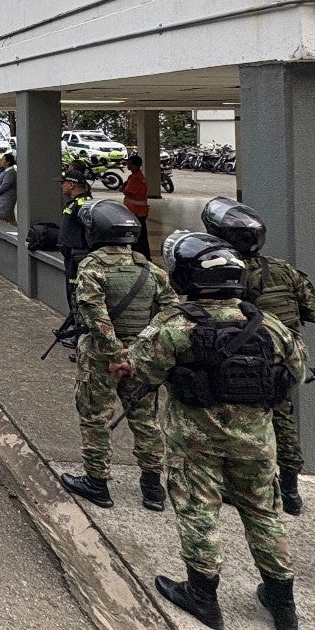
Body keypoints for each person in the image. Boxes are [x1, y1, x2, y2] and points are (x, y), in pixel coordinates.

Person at [129, 232, 307, 630]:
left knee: (198, 513)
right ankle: (283, 603)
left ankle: (203, 595)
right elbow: (294, 371)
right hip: (257, 441)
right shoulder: (270, 326)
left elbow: (143, 368)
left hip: (196, 440)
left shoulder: (176, 325)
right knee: (264, 513)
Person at [202, 197, 315, 515]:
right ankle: (291, 491)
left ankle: (239, 484)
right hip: (284, 360)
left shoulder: (222, 272)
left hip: (240, 361)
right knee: (284, 419)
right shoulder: (284, 270)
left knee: (235, 421)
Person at [58, 200, 179, 511]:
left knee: (96, 418)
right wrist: (142, 351)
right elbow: (169, 316)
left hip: (101, 357)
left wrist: (115, 352)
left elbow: (94, 312)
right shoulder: (152, 271)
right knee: (146, 420)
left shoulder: (92, 266)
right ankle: (153, 488)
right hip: (141, 357)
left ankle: (97, 482)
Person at [59, 170, 94, 300]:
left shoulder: (82, 204)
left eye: (64, 183)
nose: (61, 186)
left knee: (76, 296)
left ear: (72, 185)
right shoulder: (76, 203)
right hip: (72, 257)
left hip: (78, 258)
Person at [120, 156, 152, 257]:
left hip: (136, 212)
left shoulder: (136, 178)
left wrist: (123, 188)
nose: (127, 165)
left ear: (134, 165)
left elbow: (127, 191)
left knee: (139, 237)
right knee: (139, 236)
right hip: (136, 211)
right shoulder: (134, 177)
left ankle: (143, 255)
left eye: (129, 163)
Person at [0, 153, 17, 225]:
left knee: (2, 217)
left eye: (3, 160)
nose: (1, 161)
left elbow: (5, 185)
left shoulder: (11, 173)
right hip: (0, 198)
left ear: (8, 162)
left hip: (6, 199)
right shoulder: (4, 171)